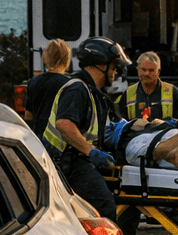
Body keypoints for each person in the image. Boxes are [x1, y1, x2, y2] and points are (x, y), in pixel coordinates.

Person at [42, 36, 129, 220]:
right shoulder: (77, 89)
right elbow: (64, 124)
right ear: (99, 65)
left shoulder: (94, 93)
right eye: (113, 66)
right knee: (104, 206)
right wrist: (91, 152)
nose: (115, 71)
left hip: (75, 160)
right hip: (66, 163)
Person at [115, 51, 178, 126]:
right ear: (138, 70)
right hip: (136, 138)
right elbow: (117, 122)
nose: (146, 74)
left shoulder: (170, 91)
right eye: (143, 70)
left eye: (151, 70)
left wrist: (171, 122)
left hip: (164, 138)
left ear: (158, 72)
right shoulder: (129, 93)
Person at [24, 39, 73, 137]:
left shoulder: (33, 81)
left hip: (38, 137)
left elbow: (28, 116)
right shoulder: (70, 85)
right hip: (59, 140)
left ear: (45, 58)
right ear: (67, 59)